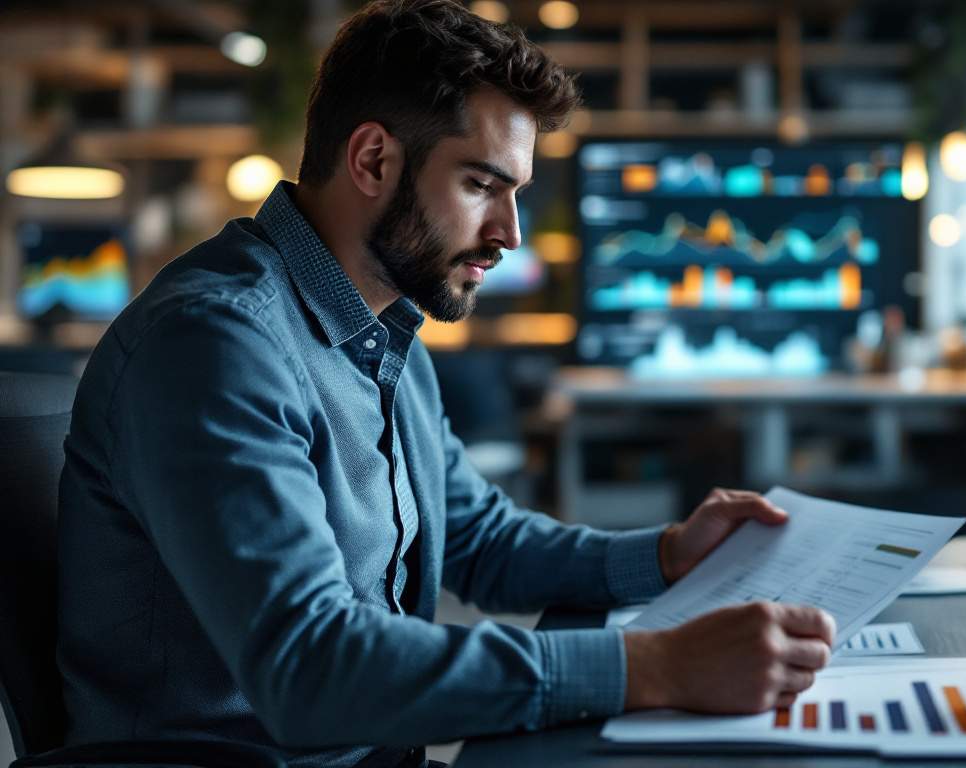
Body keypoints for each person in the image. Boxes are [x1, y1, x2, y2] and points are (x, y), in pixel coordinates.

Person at [55, 2, 834, 766]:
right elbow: (309, 668)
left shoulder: (386, 330)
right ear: (372, 161)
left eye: (515, 192)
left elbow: (480, 542)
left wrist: (666, 555)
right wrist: (656, 666)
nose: (509, 234)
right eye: (480, 185)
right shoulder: (217, 345)